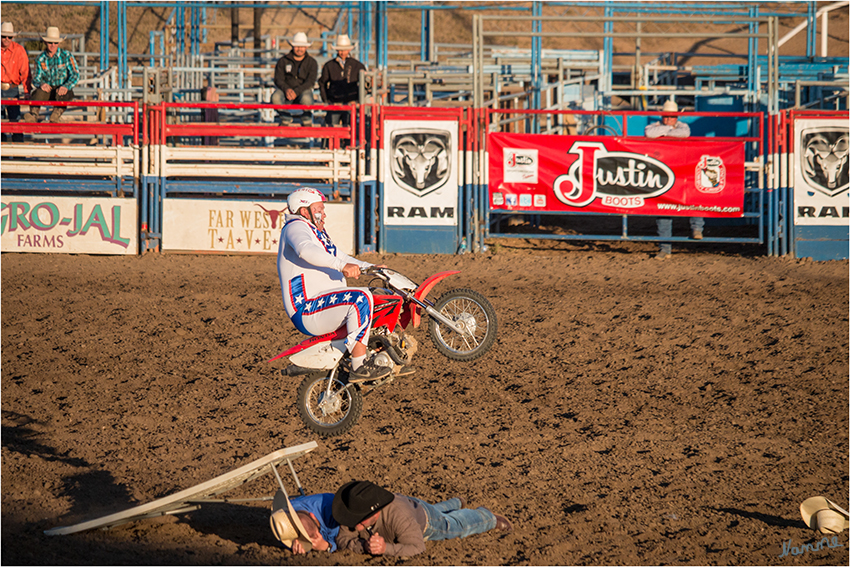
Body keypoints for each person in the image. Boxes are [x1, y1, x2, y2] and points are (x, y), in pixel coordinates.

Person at [277, 187, 391, 382]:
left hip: (323, 303)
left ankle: (383, 352)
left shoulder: (315, 231)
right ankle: (359, 365)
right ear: (305, 211)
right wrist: (341, 266)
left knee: (379, 295)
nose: (324, 213)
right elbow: (306, 250)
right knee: (360, 298)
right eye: (320, 208)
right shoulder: (295, 227)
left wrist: (370, 268)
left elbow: (340, 256)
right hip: (307, 308)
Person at [332, 480, 513, 558]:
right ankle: (456, 502)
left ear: (374, 514)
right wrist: (363, 546)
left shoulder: (399, 517)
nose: (354, 525)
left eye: (360, 521)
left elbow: (418, 547)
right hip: (412, 506)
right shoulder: (354, 510)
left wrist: (385, 548)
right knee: (436, 509)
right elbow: (341, 539)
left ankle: (486, 517)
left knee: (455, 525)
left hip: (425, 521)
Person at [644, 99, 703, 259]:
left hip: (680, 170)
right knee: (663, 209)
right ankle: (665, 248)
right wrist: (669, 129)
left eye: (672, 117)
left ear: (677, 117)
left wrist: (664, 131)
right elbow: (649, 132)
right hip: (665, 172)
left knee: (693, 197)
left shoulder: (681, 127)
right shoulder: (655, 127)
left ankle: (697, 228)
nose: (669, 119)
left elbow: (685, 133)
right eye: (666, 117)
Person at [22, 26, 79, 123]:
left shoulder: (66, 55)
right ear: (45, 42)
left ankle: (56, 114)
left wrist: (66, 86)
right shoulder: (40, 59)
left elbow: (75, 74)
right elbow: (36, 78)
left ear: (59, 43)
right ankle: (33, 115)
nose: (53, 45)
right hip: (47, 89)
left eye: (55, 43)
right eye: (50, 42)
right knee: (37, 93)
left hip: (62, 88)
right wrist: (42, 84)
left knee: (67, 94)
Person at [270, 490, 340, 554]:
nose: (318, 536)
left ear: (312, 516)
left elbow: (340, 542)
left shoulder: (331, 512)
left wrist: (326, 546)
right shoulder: (283, 525)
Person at [318, 34, 365, 128]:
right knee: (332, 128)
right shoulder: (329, 66)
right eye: (340, 50)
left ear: (349, 50)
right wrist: (326, 99)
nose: (342, 52)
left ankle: (347, 143)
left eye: (344, 49)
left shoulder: (358, 66)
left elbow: (364, 84)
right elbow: (322, 82)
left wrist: (358, 100)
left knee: (349, 129)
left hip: (351, 103)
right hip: (334, 102)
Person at [271, 32, 318, 127]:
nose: (299, 49)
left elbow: (310, 81)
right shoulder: (283, 61)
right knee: (275, 97)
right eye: (297, 46)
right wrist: (287, 89)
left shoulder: (312, 63)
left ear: (306, 48)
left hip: (303, 90)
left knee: (307, 99)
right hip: (285, 91)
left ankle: (306, 117)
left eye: (302, 46)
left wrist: (296, 91)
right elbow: (278, 79)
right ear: (292, 46)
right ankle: (285, 117)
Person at [1, 21, 30, 142]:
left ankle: (18, 156)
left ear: (13, 37)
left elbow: (25, 73)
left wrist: (27, 91)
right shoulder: (19, 50)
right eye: (3, 36)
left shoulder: (19, 50)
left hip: (12, 89)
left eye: (9, 37)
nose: (6, 39)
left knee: (16, 124)